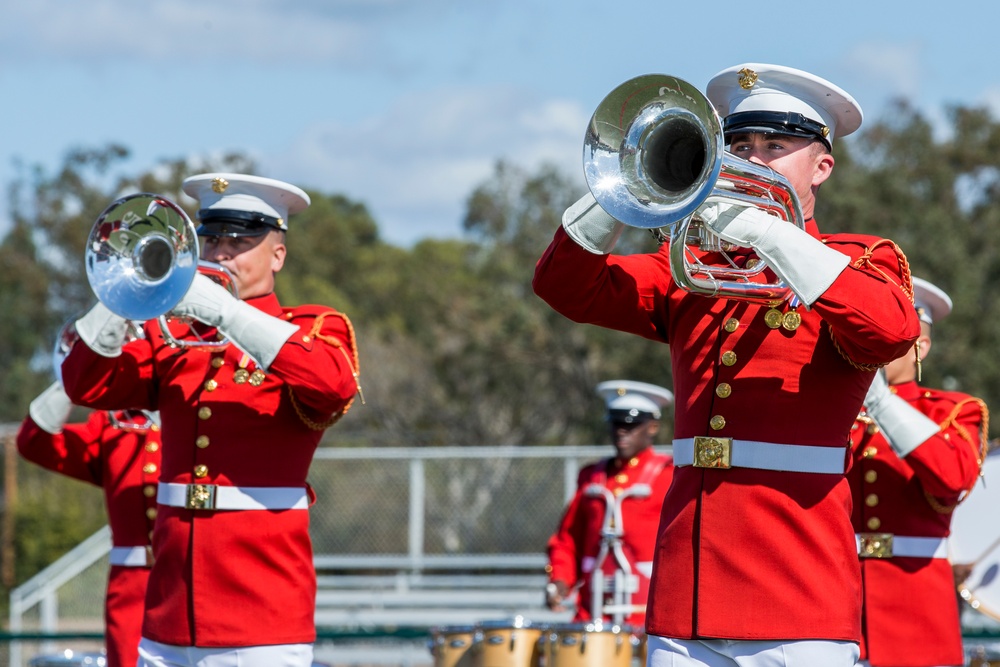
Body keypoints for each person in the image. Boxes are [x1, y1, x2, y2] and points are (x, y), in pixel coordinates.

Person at [532, 63, 922, 666]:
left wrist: (773, 237)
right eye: (738, 146)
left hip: (798, 600)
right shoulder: (688, 266)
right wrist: (626, 188)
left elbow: (893, 328)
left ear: (821, 166)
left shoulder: (852, 261)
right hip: (685, 598)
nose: (752, 158)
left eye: (775, 146)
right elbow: (565, 285)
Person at [61, 173, 362, 667]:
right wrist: (124, 294)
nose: (222, 252)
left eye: (242, 240)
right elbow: (84, 383)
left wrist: (226, 312)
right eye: (213, 238)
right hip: (167, 617)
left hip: (260, 618)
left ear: (278, 255)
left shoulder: (310, 328)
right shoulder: (175, 336)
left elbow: (332, 385)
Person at [850, 276, 989, 667]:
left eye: (887, 340)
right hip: (839, 609)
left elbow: (951, 479)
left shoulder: (953, 410)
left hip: (915, 610)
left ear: (919, 348)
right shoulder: (838, 411)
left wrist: (880, 402)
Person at [17, 381, 161, 667]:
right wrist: (72, 374)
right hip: (130, 592)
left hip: (197, 579)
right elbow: (35, 441)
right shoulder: (116, 423)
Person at [545, 380, 675, 628]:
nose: (621, 432)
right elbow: (567, 539)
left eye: (631, 425)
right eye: (616, 424)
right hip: (592, 615)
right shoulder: (592, 477)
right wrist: (560, 580)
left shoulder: (669, 475)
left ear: (653, 427)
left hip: (649, 617)